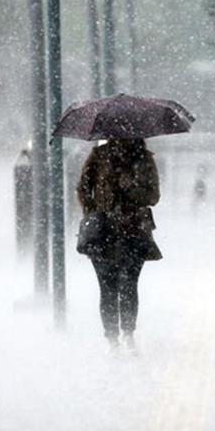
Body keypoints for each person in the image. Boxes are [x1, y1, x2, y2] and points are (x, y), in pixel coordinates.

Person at [76, 138, 162, 353]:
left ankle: (128, 333)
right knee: (107, 287)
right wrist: (93, 212)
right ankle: (112, 338)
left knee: (129, 285)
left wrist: (131, 188)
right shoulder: (98, 156)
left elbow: (153, 196)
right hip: (103, 232)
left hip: (134, 230)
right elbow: (83, 188)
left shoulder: (144, 159)